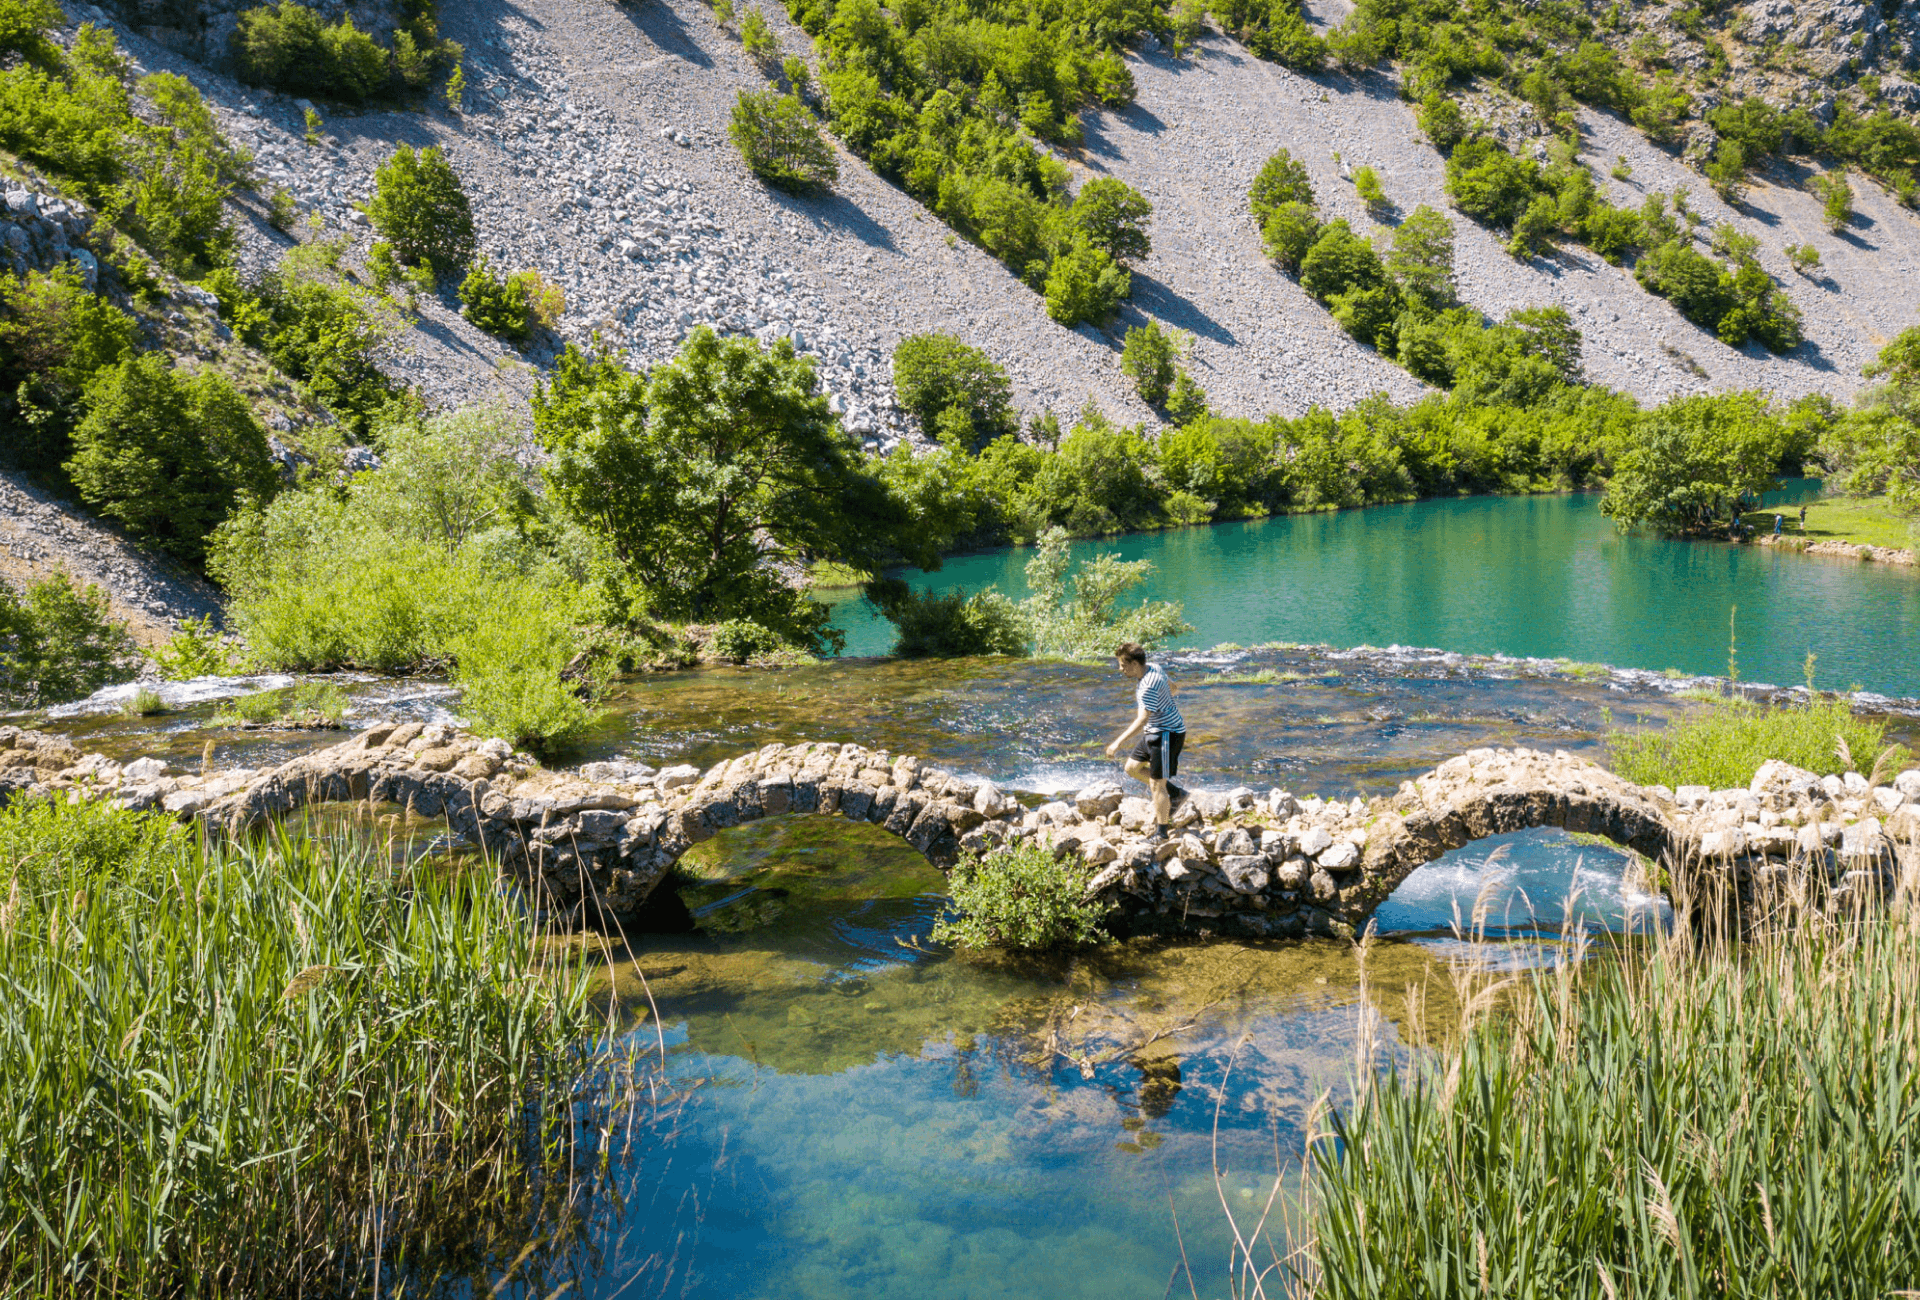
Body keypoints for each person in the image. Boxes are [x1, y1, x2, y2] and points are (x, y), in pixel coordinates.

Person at [1105, 641, 1187, 836]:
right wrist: (1166, 703)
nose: (1120, 669)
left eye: (1123, 665)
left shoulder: (1147, 686)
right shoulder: (1154, 667)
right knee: (1132, 768)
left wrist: (1117, 743)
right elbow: (1173, 688)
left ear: (1134, 664)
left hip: (1167, 733)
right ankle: (1176, 793)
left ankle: (1162, 833)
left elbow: (1142, 719)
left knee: (1156, 784)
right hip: (1156, 729)